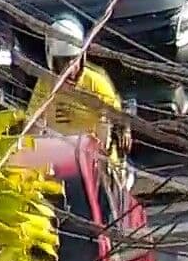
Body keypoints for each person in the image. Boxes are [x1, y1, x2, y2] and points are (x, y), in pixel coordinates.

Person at [26, 14, 126, 155]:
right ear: (52, 61)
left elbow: (117, 118)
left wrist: (122, 130)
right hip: (59, 158)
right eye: (63, 62)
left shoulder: (96, 82)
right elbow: (31, 126)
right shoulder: (45, 84)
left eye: (74, 60)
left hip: (93, 158)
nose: (70, 69)